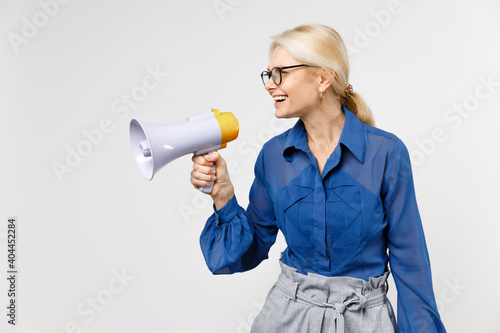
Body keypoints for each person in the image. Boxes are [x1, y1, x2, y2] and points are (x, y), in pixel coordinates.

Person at [190, 24, 446, 333]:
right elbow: (248, 252)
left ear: (323, 78)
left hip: (364, 320)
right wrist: (223, 196)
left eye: (281, 72)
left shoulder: (387, 153)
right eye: (268, 74)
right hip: (286, 317)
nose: (270, 84)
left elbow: (411, 263)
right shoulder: (273, 157)